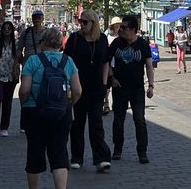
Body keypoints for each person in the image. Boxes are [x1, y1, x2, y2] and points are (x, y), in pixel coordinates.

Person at [19, 26, 81, 189]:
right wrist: (68, 104)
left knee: (35, 152)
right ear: (60, 43)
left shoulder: (32, 61)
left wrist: (25, 104)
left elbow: (24, 90)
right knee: (59, 153)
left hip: (34, 112)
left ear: (43, 42)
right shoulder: (68, 61)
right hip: (61, 114)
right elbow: (78, 90)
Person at [65, 10, 111, 172]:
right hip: (78, 88)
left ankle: (101, 158)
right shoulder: (74, 39)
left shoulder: (102, 39)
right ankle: (77, 158)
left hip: (97, 88)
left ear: (93, 23)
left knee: (96, 124)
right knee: (77, 123)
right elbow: (67, 62)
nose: (82, 25)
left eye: (85, 22)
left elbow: (106, 62)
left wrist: (105, 84)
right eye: (80, 21)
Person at [108, 14, 155, 164]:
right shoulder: (116, 43)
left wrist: (151, 86)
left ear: (133, 29)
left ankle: (142, 152)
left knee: (139, 119)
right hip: (120, 88)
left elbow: (149, 65)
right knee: (118, 120)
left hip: (137, 89)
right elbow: (107, 62)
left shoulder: (142, 44)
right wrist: (112, 79)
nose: (120, 30)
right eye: (120, 27)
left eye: (124, 27)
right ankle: (117, 149)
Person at [103, 16, 122, 114]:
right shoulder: (107, 35)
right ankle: (106, 103)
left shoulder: (122, 35)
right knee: (107, 85)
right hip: (109, 62)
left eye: (119, 24)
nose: (118, 26)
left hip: (119, 63)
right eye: (116, 24)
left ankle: (116, 103)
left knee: (118, 84)